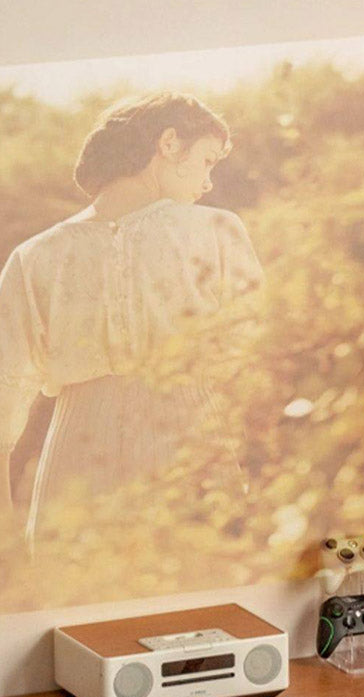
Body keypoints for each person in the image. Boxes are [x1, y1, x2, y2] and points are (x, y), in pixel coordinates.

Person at [0, 92, 263, 542]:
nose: (208, 183)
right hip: (186, 442)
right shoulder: (216, 231)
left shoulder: (34, 256)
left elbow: (6, 389)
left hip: (73, 462)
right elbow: (257, 358)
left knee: (82, 601)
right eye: (205, 161)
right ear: (167, 144)